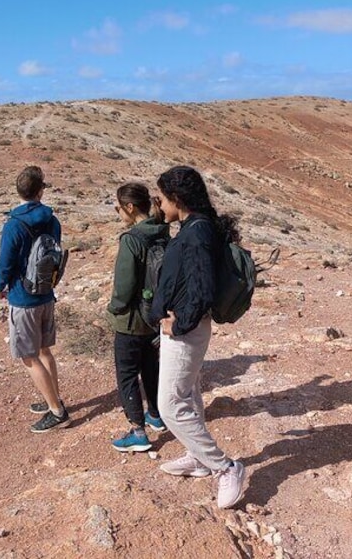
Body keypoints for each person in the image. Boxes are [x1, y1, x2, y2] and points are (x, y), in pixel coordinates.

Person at [150, 165, 247, 509]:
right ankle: (198, 457)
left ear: (177, 199)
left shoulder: (197, 233)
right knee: (188, 395)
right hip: (185, 327)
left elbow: (203, 289)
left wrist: (178, 325)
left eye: (161, 199)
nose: (159, 206)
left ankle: (225, 467)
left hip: (186, 330)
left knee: (170, 405)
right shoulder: (194, 227)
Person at [0, 165, 70, 433]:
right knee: (44, 350)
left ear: (19, 191)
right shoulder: (52, 220)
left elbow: (6, 260)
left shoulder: (14, 224)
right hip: (46, 293)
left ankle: (57, 412)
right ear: (40, 191)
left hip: (22, 298)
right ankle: (53, 398)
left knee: (28, 356)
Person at [106, 182, 170, 452]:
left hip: (131, 319)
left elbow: (123, 287)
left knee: (128, 374)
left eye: (118, 207)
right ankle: (155, 415)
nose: (118, 212)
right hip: (155, 315)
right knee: (151, 367)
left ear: (130, 208)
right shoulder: (163, 233)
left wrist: (114, 309)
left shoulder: (132, 239)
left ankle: (137, 432)